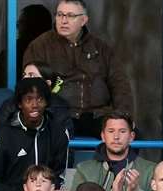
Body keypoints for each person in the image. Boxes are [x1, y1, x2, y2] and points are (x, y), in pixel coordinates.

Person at [21, 0, 132, 135]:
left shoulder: (101, 48)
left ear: (83, 20)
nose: (64, 20)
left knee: (126, 134)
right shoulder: (40, 46)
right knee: (57, 137)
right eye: (60, 15)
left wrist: (123, 116)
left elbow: (120, 84)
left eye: (70, 16)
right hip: (58, 115)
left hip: (98, 116)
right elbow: (30, 85)